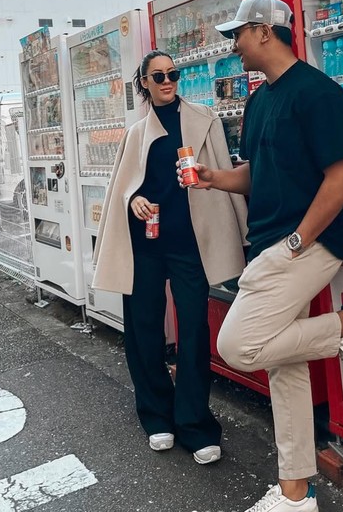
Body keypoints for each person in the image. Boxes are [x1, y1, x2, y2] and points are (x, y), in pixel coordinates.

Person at [180, 0, 343, 512]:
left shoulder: (317, 93)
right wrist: (212, 179)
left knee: (239, 345)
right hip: (268, 239)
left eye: (238, 34)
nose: (233, 44)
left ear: (265, 31)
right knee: (283, 366)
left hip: (304, 243)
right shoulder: (260, 100)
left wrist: (299, 240)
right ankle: (296, 494)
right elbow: (255, 173)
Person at [92, 50, 247, 465]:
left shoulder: (204, 119)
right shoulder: (136, 132)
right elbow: (123, 189)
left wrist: (245, 232)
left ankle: (196, 424)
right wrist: (135, 200)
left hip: (189, 244)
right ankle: (156, 415)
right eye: (157, 76)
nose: (167, 81)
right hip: (145, 243)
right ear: (143, 82)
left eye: (173, 74)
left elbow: (223, 171)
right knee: (143, 331)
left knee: (194, 331)